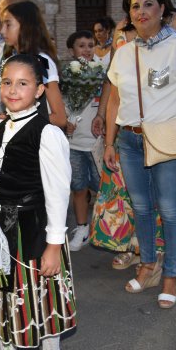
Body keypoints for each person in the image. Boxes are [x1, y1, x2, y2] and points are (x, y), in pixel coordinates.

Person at [0, 54, 75, 350]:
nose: (13, 90)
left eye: (23, 83)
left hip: (32, 228)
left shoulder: (48, 133)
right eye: (7, 82)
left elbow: (57, 193)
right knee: (1, 291)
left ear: (40, 90)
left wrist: (54, 245)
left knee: (40, 294)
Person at [103, 0, 176, 308]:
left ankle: (171, 273)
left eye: (148, 5)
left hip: (168, 140)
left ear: (162, 9)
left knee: (171, 210)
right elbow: (114, 101)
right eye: (135, 7)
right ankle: (149, 265)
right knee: (142, 208)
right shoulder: (123, 53)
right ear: (129, 14)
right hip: (130, 141)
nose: (141, 12)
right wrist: (109, 141)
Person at [63, 31, 102, 252]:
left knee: (103, 189)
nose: (87, 50)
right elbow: (60, 106)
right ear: (72, 51)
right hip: (73, 144)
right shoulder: (66, 76)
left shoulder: (101, 73)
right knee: (78, 188)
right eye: (81, 46)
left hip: (97, 143)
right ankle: (82, 228)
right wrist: (65, 122)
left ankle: (106, 228)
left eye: (90, 45)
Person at [0, 1, 67, 128]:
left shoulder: (41, 61)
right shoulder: (14, 58)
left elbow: (60, 118)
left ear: (26, 26)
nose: (2, 31)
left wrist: (11, 118)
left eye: (8, 24)